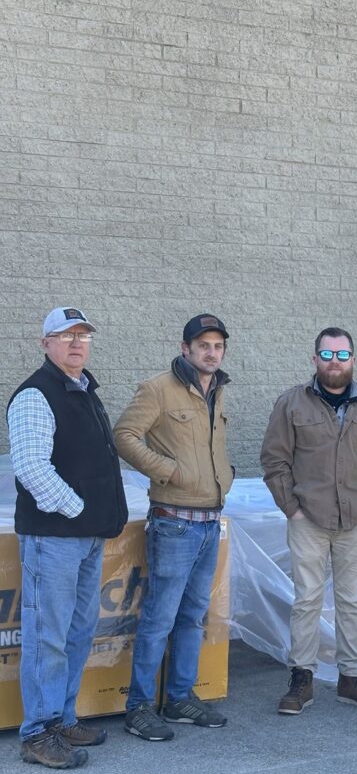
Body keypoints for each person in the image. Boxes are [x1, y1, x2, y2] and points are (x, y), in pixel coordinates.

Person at [7, 307, 128, 768]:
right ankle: (38, 732)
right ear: (45, 344)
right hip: (55, 536)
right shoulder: (36, 395)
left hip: (86, 536)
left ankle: (61, 717)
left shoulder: (84, 392)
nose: (77, 343)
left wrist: (95, 519)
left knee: (78, 631)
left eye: (83, 335)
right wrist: (82, 511)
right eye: (65, 335)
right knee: (49, 634)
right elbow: (33, 469)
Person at [261, 327, 357, 714]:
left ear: (353, 360)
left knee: (352, 601)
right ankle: (301, 678)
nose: (334, 363)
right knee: (307, 600)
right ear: (314, 359)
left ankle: (351, 678)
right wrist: (292, 508)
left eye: (341, 355)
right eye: (327, 355)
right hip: (308, 518)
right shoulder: (291, 404)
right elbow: (275, 460)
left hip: (356, 518)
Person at [113, 314, 233, 741]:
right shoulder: (158, 388)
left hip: (208, 522)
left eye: (217, 345)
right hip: (174, 524)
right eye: (203, 344)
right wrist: (168, 471)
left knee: (192, 617)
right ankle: (139, 707)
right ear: (185, 348)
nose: (211, 351)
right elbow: (124, 435)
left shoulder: (218, 389)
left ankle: (179, 697)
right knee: (159, 618)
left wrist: (227, 475)